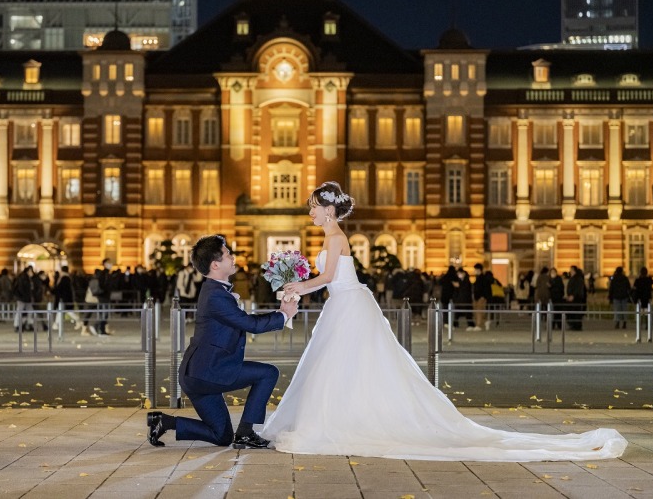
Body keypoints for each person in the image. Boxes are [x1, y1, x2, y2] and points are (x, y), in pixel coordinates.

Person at [261, 181, 626, 461]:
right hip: (344, 305)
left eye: (313, 208)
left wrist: (297, 284)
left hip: (348, 306)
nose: (310, 213)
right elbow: (328, 277)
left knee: (345, 365)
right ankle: (337, 417)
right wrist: (298, 285)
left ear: (328, 210)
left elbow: (326, 278)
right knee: (343, 367)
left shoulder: (337, 236)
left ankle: (339, 420)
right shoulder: (331, 235)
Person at [146, 235, 298, 449]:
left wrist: (280, 311)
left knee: (222, 436)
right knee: (268, 373)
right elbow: (249, 324)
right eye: (228, 254)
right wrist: (283, 315)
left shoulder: (216, 291)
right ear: (215, 264)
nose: (232, 257)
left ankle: (163, 421)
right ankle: (245, 432)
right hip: (209, 373)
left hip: (200, 374)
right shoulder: (215, 295)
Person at [471, 263, 492, 330]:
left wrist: (483, 296)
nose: (474, 271)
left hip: (481, 297)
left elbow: (485, 288)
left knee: (479, 311)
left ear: (479, 270)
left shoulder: (483, 278)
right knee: (478, 311)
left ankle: (479, 325)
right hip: (477, 297)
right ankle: (485, 322)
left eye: (475, 270)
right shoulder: (478, 278)